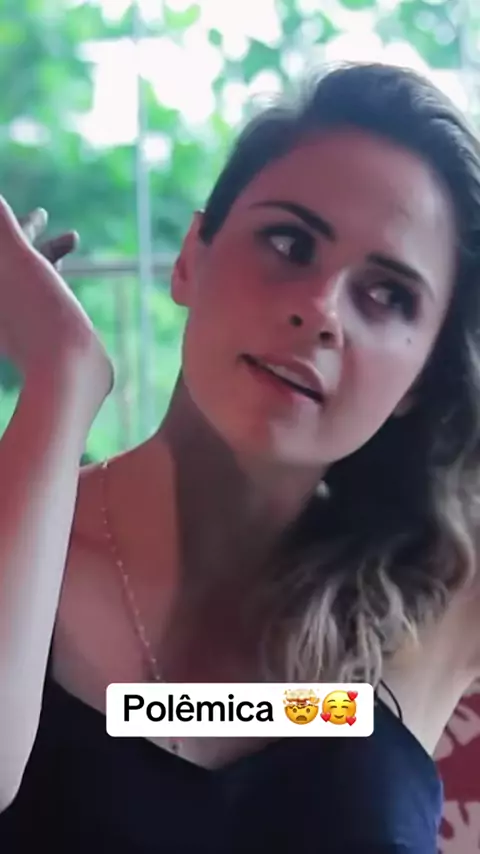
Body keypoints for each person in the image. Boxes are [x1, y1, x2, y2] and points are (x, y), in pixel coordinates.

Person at [1, 60, 480, 852]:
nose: (321, 311)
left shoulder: (436, 597)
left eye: (388, 294)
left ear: (424, 378)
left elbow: (173, 717)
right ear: (191, 256)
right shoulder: (21, 532)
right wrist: (60, 375)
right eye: (289, 243)